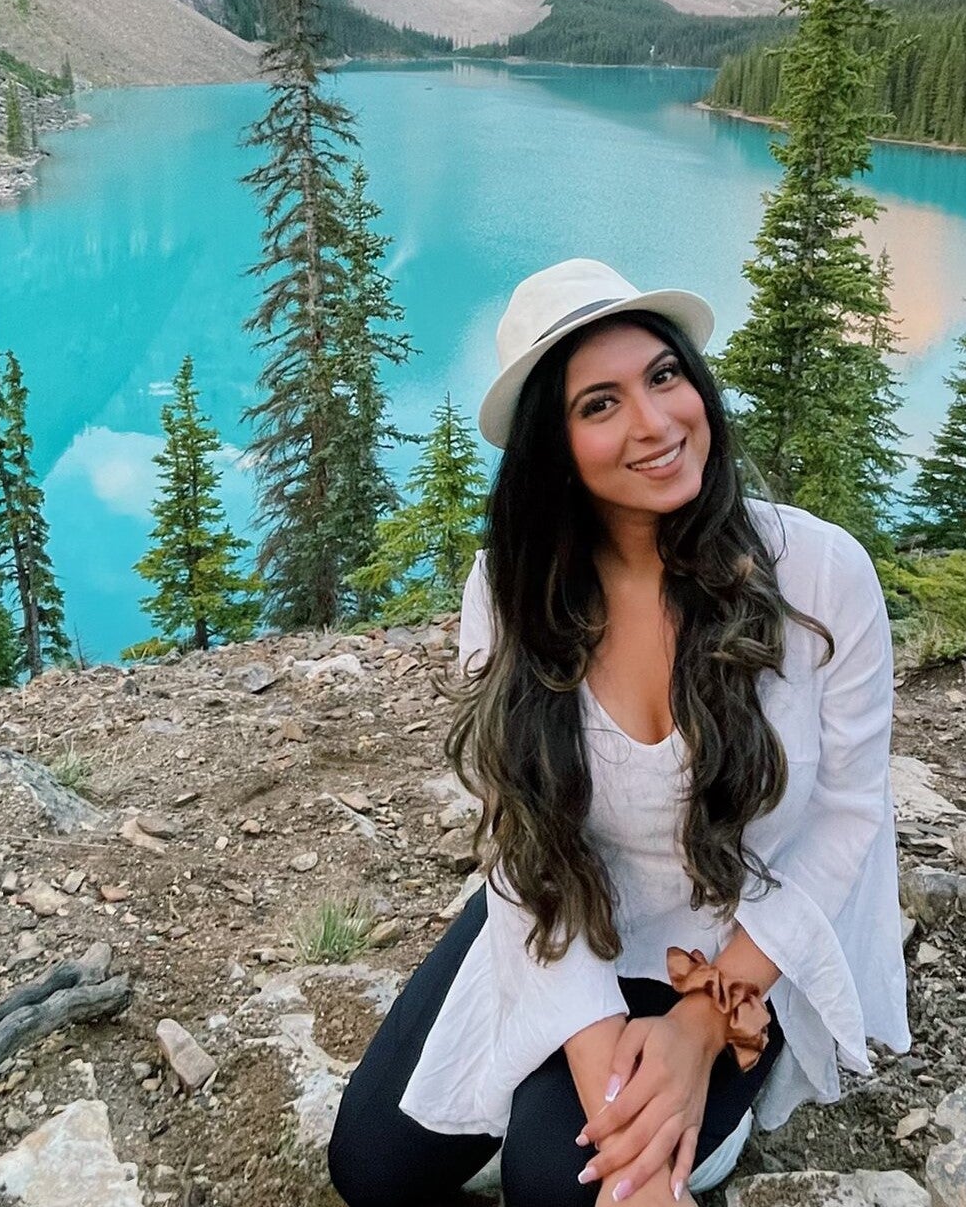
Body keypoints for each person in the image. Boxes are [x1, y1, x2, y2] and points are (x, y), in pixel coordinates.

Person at [327, 259, 909, 1207]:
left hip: (745, 935)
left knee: (558, 1184)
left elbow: (847, 818)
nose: (654, 422)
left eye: (664, 376)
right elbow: (521, 837)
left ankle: (703, 1110)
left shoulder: (820, 576)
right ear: (552, 449)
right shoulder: (514, 592)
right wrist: (597, 1052)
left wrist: (699, 1028)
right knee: (372, 1172)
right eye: (600, 404)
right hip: (568, 911)